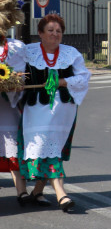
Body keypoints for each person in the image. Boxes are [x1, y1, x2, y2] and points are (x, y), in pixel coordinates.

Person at [20, 14, 91, 213]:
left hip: (63, 113)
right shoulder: (29, 52)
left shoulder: (70, 53)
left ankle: (38, 191)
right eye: (50, 30)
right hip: (36, 112)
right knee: (44, 148)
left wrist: (62, 82)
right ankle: (61, 193)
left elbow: (84, 77)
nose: (55, 34)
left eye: (58, 31)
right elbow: (15, 72)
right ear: (40, 33)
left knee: (52, 151)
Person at [0, 32, 29, 205]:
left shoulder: (15, 47)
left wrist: (15, 85)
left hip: (6, 106)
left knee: (13, 150)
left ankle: (21, 191)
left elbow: (22, 74)